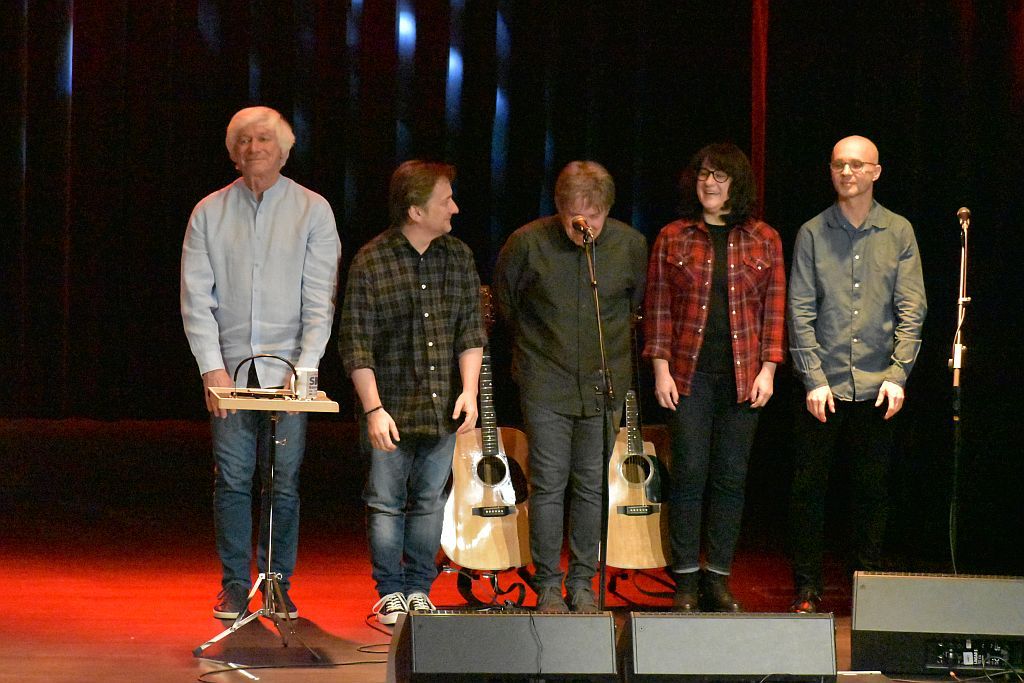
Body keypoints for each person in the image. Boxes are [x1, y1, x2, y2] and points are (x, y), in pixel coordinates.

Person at [181, 106, 342, 620]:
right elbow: (195, 298)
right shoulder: (208, 212)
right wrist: (211, 369)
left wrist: (306, 371)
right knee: (232, 477)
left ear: (284, 150)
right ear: (234, 153)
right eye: (245, 140)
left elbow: (320, 300)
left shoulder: (313, 210)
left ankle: (277, 584)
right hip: (229, 370)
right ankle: (234, 585)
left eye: (265, 139)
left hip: (290, 371)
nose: (254, 148)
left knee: (283, 480)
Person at [493, 161, 647, 613]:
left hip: (604, 383)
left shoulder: (630, 245)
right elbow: (507, 304)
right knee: (548, 484)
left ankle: (582, 582)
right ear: (559, 209)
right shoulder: (526, 243)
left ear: (607, 211)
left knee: (592, 486)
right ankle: (547, 584)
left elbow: (634, 304)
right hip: (546, 382)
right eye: (575, 217)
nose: (585, 226)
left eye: (594, 216)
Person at [338, 160, 485, 625]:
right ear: (416, 211)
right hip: (392, 407)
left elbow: (470, 330)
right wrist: (373, 409)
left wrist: (469, 391)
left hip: (443, 406)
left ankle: (420, 588)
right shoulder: (372, 260)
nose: (454, 208)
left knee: (430, 501)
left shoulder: (458, 257)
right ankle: (390, 591)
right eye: (446, 200)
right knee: (385, 502)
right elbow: (356, 343)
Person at [644, 143, 786, 612]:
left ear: (736, 184)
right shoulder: (673, 236)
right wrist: (661, 368)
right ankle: (685, 579)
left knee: (730, 479)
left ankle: (719, 577)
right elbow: (658, 307)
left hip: (744, 377)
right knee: (688, 474)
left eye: (720, 176)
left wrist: (768, 369)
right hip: (688, 376)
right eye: (704, 174)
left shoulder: (764, 238)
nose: (710, 183)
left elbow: (774, 309)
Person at [787, 135, 927, 613]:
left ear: (876, 172)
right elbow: (800, 308)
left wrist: (898, 373)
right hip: (822, 384)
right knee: (808, 491)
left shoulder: (898, 231)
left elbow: (912, 308)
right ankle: (807, 587)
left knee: (872, 492)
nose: (846, 172)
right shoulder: (812, 232)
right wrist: (813, 378)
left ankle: (868, 592)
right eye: (838, 164)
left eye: (856, 165)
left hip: (877, 384)